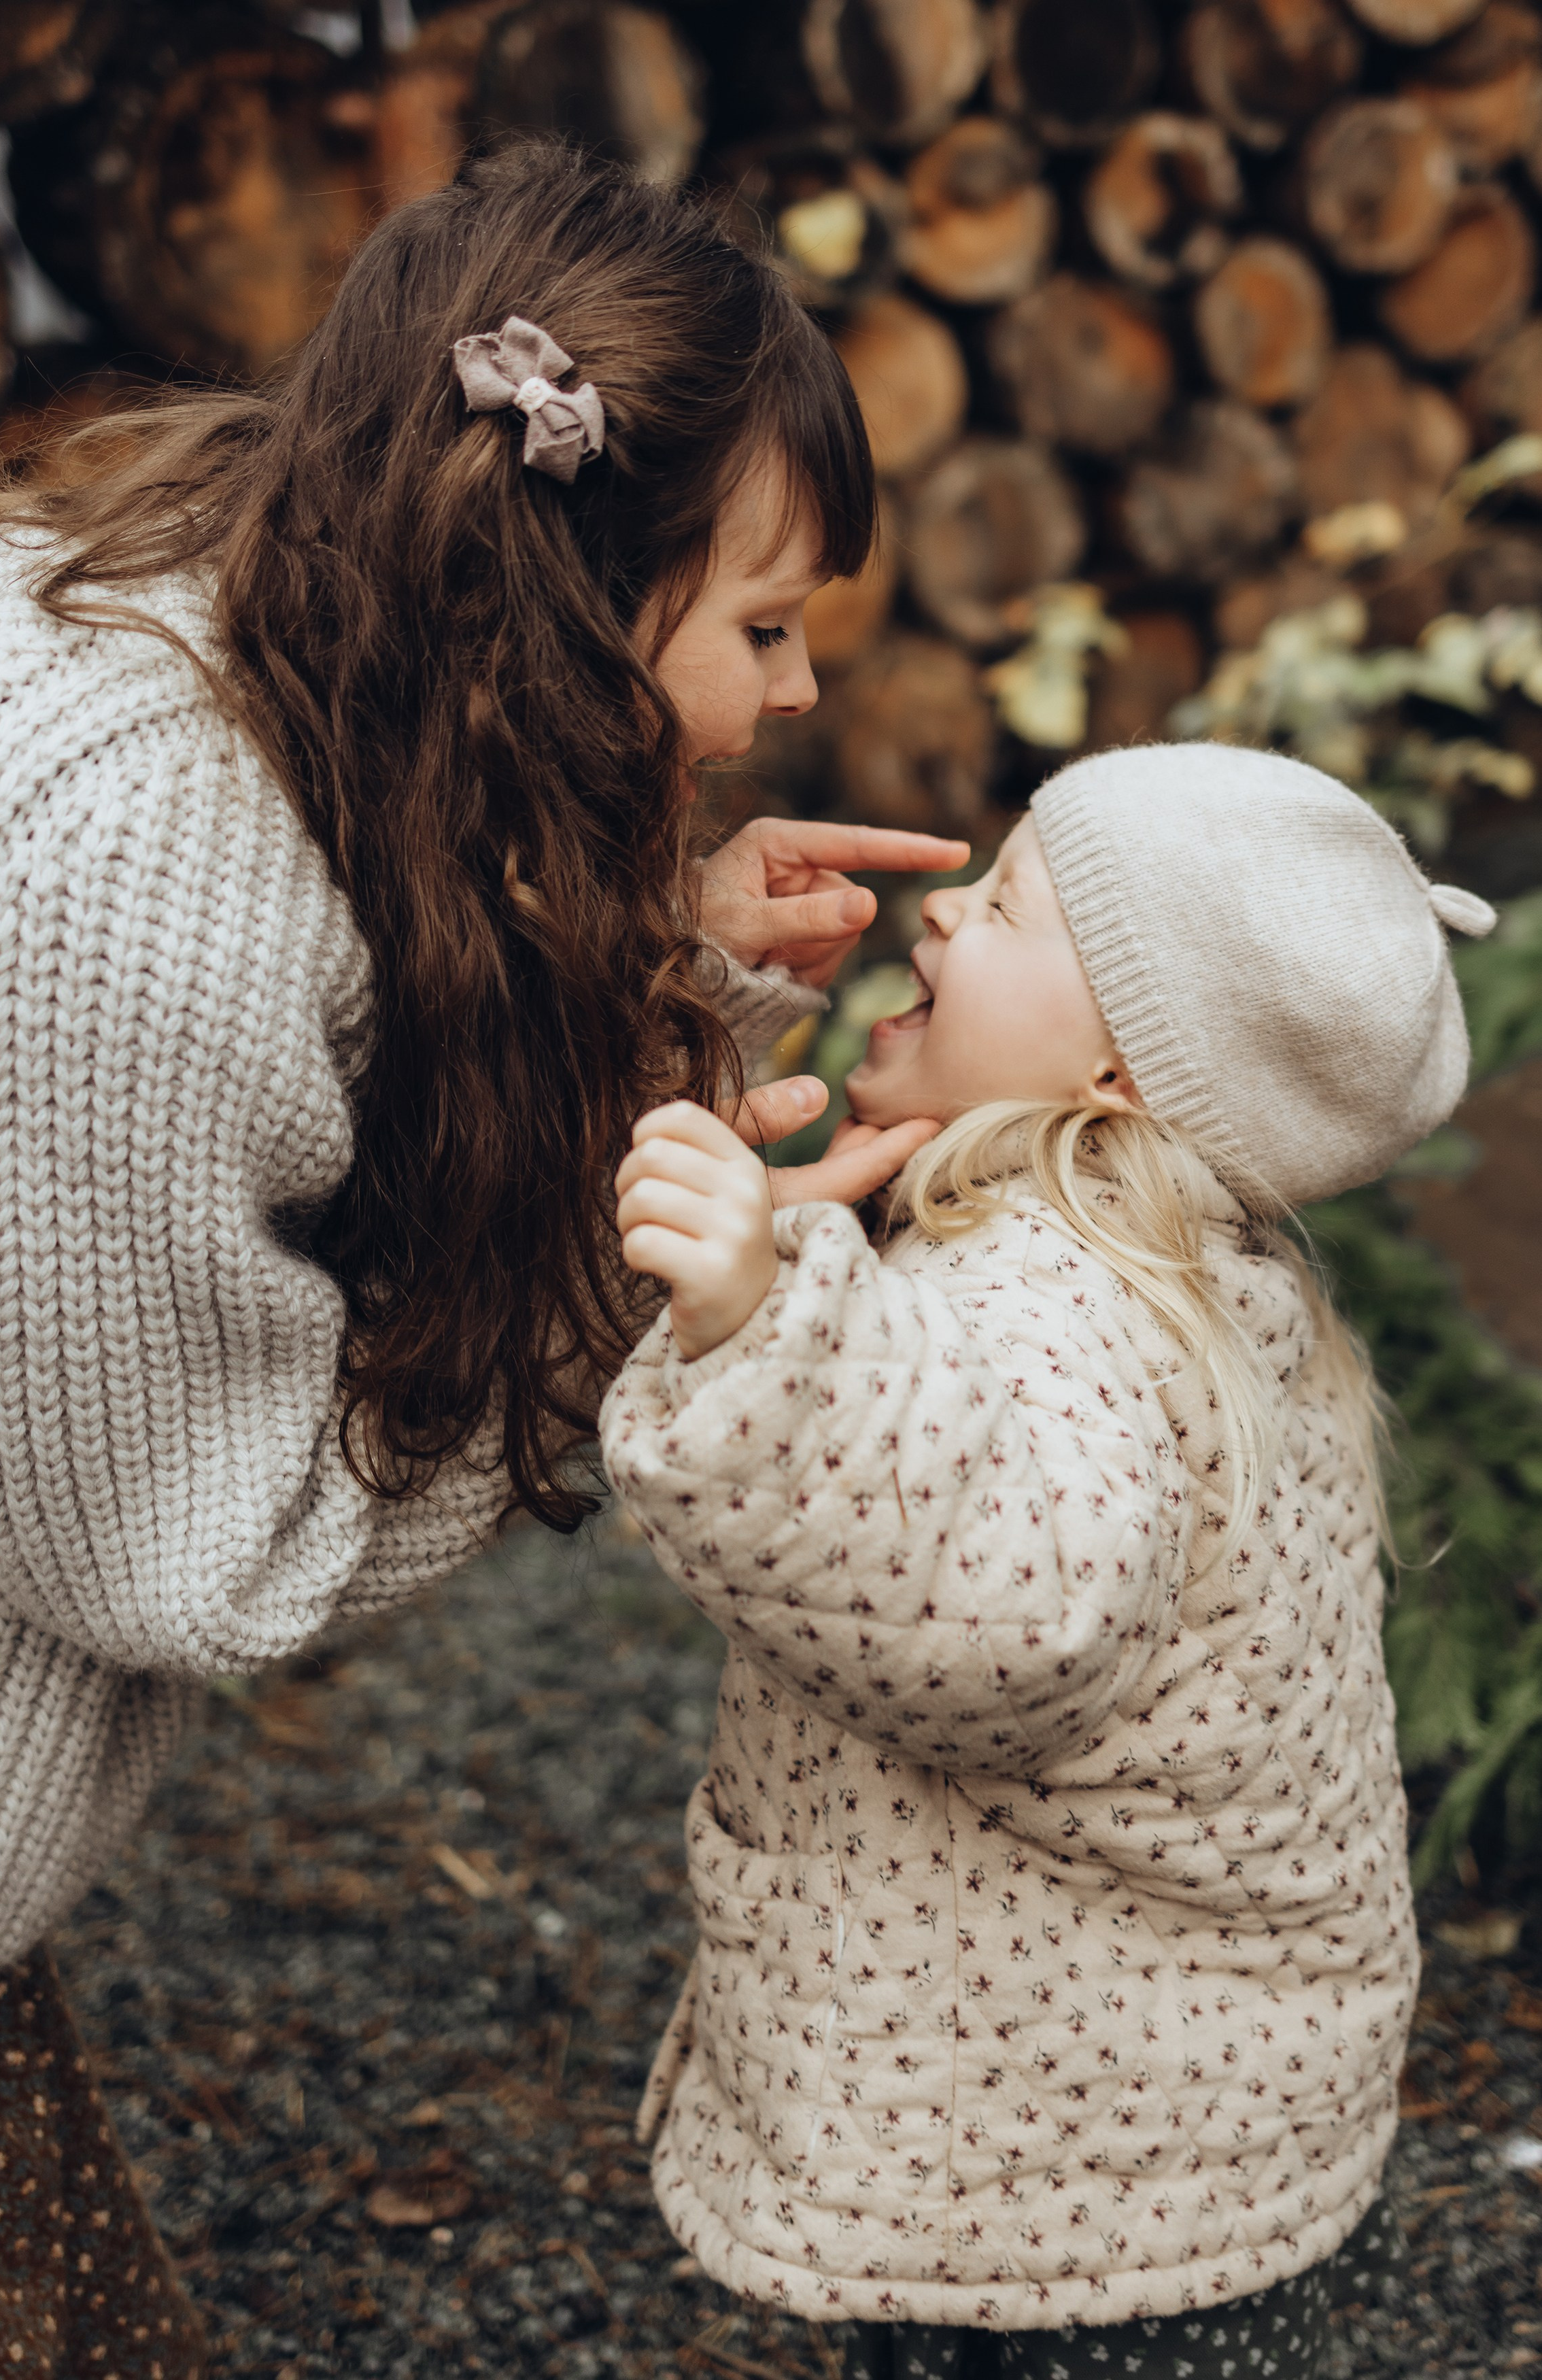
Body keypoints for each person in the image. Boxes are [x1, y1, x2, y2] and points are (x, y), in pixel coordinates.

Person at [0, 139, 968, 2376]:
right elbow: (190, 1551)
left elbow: (332, 1051)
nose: (797, 692)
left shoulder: (218, 599)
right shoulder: (137, 876)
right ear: (565, 592)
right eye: (762, 626)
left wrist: (654, 963)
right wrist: (632, 1289)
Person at [601, 741, 1497, 2378]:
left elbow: (1002, 1622)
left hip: (1063, 2183)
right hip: (1132, 2141)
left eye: (1009, 907)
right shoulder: (1147, 1268)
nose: (945, 916)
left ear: (1121, 1075)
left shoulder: (1059, 1299)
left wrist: (757, 1326)